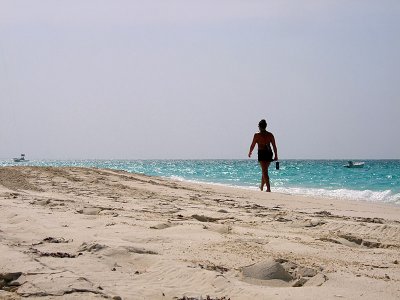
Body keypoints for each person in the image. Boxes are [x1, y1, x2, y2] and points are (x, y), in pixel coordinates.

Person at [248, 119, 278, 192]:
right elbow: (274, 146)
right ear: (266, 126)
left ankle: (268, 188)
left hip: (262, 153)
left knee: (265, 171)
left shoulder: (257, 135)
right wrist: (276, 155)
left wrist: (250, 152)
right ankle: (261, 187)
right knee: (264, 170)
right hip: (269, 152)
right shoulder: (270, 135)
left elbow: (253, 144)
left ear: (259, 126)